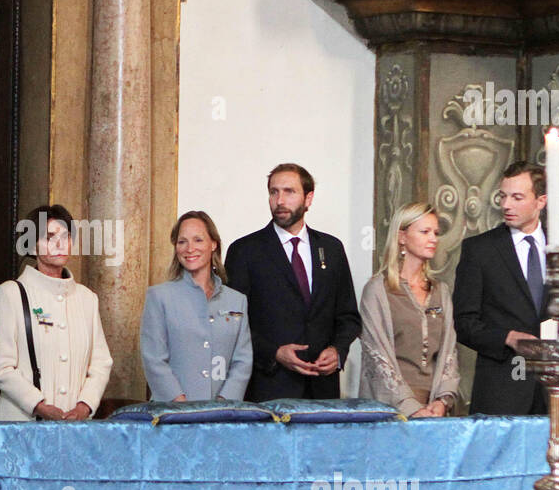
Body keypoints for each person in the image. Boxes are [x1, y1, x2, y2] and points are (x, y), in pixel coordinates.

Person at [452, 161, 559, 415]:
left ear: (541, 201)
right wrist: (507, 337)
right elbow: (464, 322)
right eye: (503, 196)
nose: (506, 205)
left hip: (557, 388)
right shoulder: (479, 250)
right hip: (501, 391)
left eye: (517, 197)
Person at [224, 163, 361, 401]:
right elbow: (232, 322)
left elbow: (348, 317)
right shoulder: (245, 251)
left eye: (289, 192)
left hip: (322, 392)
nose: (279, 200)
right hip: (268, 389)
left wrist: (337, 351)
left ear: (308, 199)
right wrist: (274, 353)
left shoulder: (331, 248)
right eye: (273, 192)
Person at [0, 205, 112, 420]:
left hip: (75, 425)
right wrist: (38, 405)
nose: (59, 244)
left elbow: (101, 362)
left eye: (65, 236)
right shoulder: (10, 293)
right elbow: (2, 366)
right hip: (22, 423)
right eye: (49, 237)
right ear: (32, 245)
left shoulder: (87, 298)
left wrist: (85, 405)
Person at [358, 202, 460, 417]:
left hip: (434, 409)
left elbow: (449, 353)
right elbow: (377, 358)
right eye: (424, 232)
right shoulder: (378, 290)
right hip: (390, 410)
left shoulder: (441, 291)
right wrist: (411, 408)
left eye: (435, 232)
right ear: (402, 237)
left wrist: (442, 400)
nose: (433, 238)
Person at [140, 211, 252, 401]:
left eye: (198, 240)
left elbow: (242, 361)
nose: (189, 248)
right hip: (172, 415)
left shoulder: (236, 300)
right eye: (182, 241)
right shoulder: (159, 297)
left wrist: (223, 405)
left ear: (213, 244)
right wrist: (182, 406)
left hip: (221, 417)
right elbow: (154, 360)